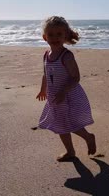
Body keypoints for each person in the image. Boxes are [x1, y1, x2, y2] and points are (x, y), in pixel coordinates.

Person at [36, 16, 97, 162]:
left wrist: (63, 92)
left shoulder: (66, 56)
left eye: (59, 34)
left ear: (65, 36)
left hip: (68, 96)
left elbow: (75, 77)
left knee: (69, 124)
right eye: (51, 34)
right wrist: (43, 89)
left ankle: (88, 137)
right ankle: (70, 151)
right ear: (45, 37)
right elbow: (46, 74)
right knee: (60, 125)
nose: (55, 38)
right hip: (54, 97)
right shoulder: (46, 55)